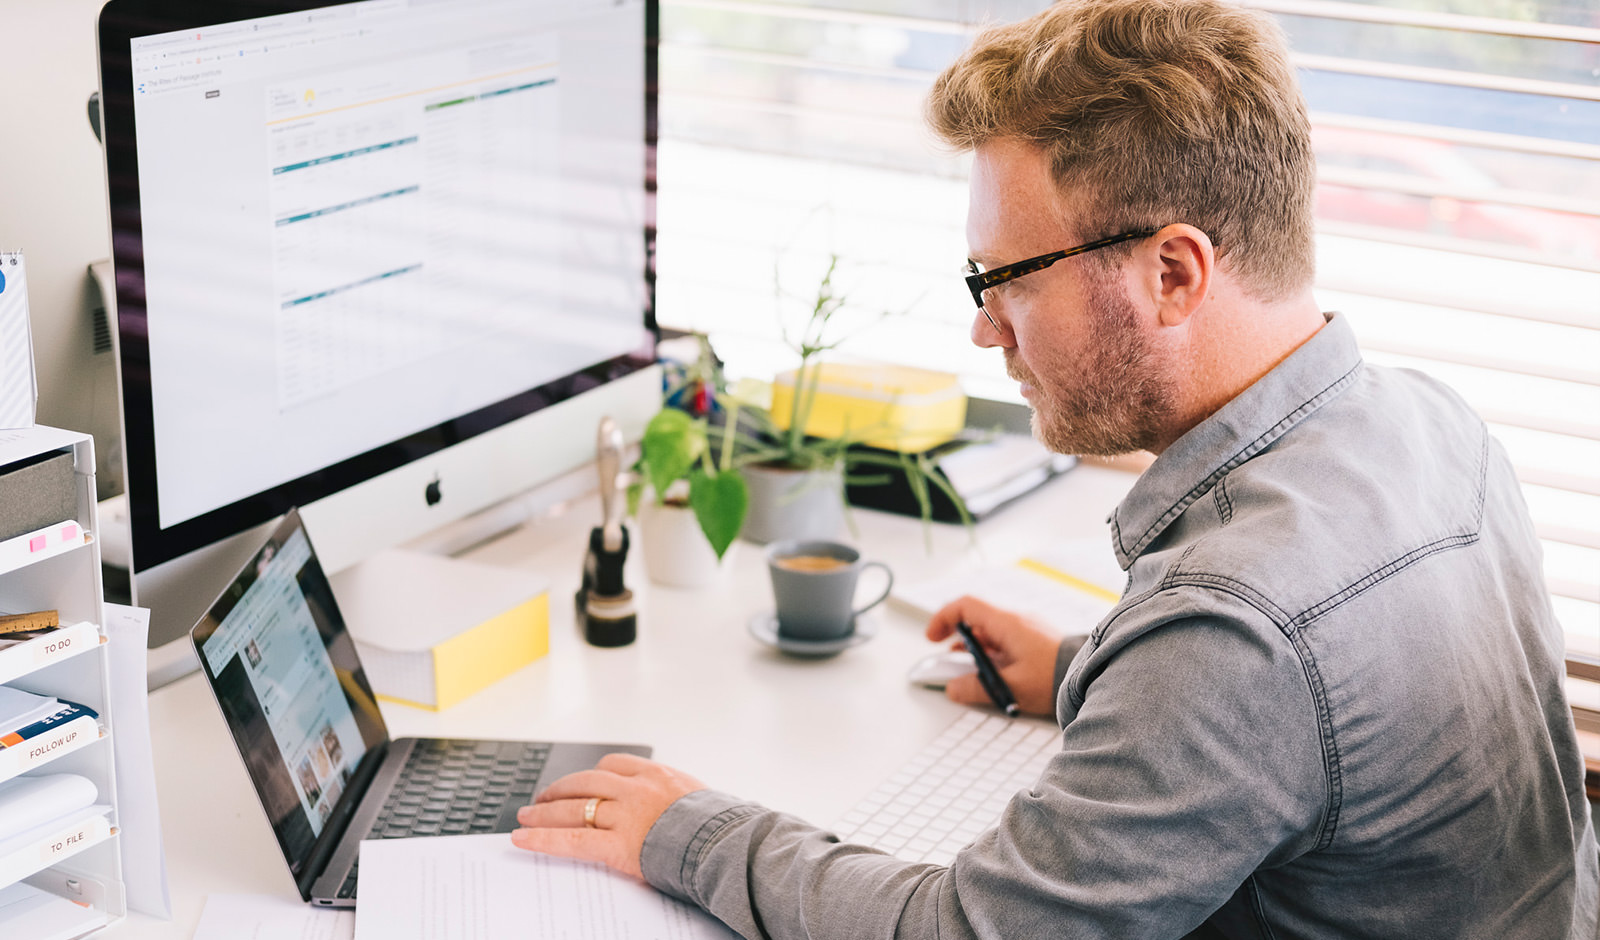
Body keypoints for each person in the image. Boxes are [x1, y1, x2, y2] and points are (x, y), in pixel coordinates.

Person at [512, 0, 1600, 936]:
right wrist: (1088, 664)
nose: (987, 330)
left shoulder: (1232, 627)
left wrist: (691, 832)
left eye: (1009, 277)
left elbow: (968, 929)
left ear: (1172, 273)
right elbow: (1324, 706)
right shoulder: (1426, 424)